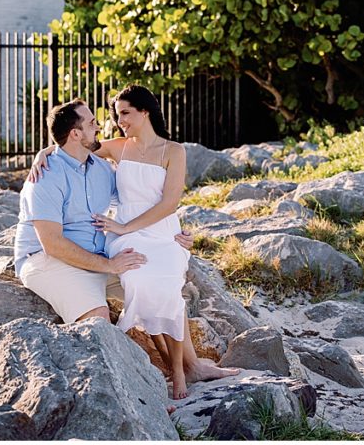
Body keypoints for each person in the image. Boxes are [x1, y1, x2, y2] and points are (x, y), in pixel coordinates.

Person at [22, 94, 238, 400]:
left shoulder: (98, 167)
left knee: (157, 286)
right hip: (52, 259)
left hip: (99, 251)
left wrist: (171, 233)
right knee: (100, 317)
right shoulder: (45, 176)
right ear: (75, 133)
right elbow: (52, 244)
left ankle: (190, 367)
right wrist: (46, 153)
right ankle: (134, 399)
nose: (104, 126)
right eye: (94, 123)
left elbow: (144, 196)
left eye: (121, 114)